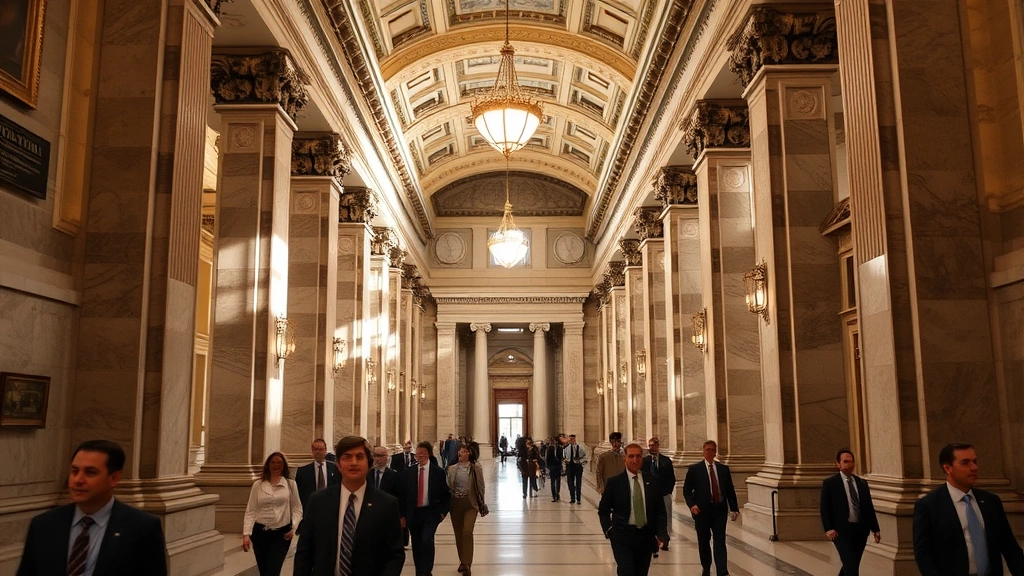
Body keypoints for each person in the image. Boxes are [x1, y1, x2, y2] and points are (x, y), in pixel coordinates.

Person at [16, 440, 168, 576]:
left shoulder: (142, 528)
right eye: (74, 471)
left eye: (90, 472)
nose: (78, 480)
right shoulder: (44, 524)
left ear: (114, 478)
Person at [293, 436, 404, 576]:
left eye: (359, 457)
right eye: (347, 457)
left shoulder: (387, 504)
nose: (353, 462)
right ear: (338, 464)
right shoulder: (318, 502)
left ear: (369, 463)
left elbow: (395, 555)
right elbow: (304, 552)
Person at [913, 442, 1024, 576]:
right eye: (965, 463)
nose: (974, 467)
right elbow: (924, 554)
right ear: (948, 468)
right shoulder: (929, 506)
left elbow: (1009, 546)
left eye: (975, 462)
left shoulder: (990, 501)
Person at [597, 442, 669, 576]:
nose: (635, 460)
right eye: (631, 456)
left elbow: (660, 511)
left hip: (645, 536)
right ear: (624, 458)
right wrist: (609, 530)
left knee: (641, 572)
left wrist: (661, 534)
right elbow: (603, 510)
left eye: (638, 456)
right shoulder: (615, 482)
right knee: (626, 571)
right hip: (622, 536)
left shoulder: (653, 481)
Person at [682, 440, 739, 576]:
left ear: (715, 452)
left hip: (719, 510)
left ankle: (722, 571)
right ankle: (706, 567)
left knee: (720, 541)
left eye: (713, 450)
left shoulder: (723, 469)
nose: (710, 452)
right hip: (702, 512)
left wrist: (734, 508)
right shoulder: (695, 469)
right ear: (703, 450)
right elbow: (686, 490)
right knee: (704, 541)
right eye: (708, 449)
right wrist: (692, 505)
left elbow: (730, 490)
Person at [820, 449, 880, 575]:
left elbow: (868, 507)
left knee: (852, 563)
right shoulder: (830, 483)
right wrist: (828, 528)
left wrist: (875, 529)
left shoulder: (862, 483)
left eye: (851, 461)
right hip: (841, 531)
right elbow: (824, 508)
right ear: (838, 464)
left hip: (860, 531)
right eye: (845, 461)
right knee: (851, 566)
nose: (849, 464)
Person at [242, 452, 302, 576]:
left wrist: (294, 526)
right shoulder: (257, 485)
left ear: (284, 465)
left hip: (281, 534)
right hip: (260, 533)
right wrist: (246, 534)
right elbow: (251, 510)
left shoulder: (290, 485)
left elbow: (297, 508)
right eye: (273, 462)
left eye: (279, 462)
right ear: (268, 465)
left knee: (273, 570)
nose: (276, 465)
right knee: (264, 571)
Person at [401, 440, 451, 576]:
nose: (419, 457)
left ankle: (427, 570)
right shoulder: (408, 473)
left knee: (427, 540)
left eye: (422, 454)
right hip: (414, 513)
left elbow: (446, 494)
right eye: (417, 454)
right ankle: (420, 571)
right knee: (416, 543)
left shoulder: (438, 472)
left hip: (431, 513)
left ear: (428, 454)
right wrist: (402, 515)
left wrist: (443, 512)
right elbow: (403, 495)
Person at [446, 443, 487, 576]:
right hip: (456, 504)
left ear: (469, 453)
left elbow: (481, 486)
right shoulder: (452, 469)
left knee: (467, 532)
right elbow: (448, 487)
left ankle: (467, 564)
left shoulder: (476, 468)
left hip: (471, 503)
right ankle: (463, 561)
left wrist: (482, 502)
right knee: (459, 535)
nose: (460, 453)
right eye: (459, 451)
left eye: (463, 451)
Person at [641, 437, 676, 551]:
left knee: (666, 516)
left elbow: (671, 478)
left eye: (654, 445)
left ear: (658, 446)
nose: (652, 448)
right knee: (651, 516)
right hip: (650, 495)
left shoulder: (666, 461)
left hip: (664, 494)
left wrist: (667, 491)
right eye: (650, 446)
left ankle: (664, 538)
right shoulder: (644, 461)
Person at [295, 438, 341, 512]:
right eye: (315, 449)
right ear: (312, 451)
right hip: (311, 509)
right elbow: (299, 495)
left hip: (331, 508)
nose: (318, 452)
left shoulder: (336, 469)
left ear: (325, 450)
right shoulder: (302, 472)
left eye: (321, 449)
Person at [565, 433, 587, 504]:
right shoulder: (566, 448)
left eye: (573, 439)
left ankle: (578, 499)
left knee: (578, 482)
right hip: (570, 466)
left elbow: (584, 455)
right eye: (570, 439)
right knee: (571, 482)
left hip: (578, 466)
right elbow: (565, 457)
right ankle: (572, 498)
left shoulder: (580, 447)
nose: (571, 440)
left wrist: (581, 462)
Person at [547, 434, 566, 502]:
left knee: (556, 482)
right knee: (554, 482)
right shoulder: (552, 448)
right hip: (554, 467)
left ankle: (556, 494)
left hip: (556, 467)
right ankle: (555, 495)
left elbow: (561, 458)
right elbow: (548, 458)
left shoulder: (558, 448)